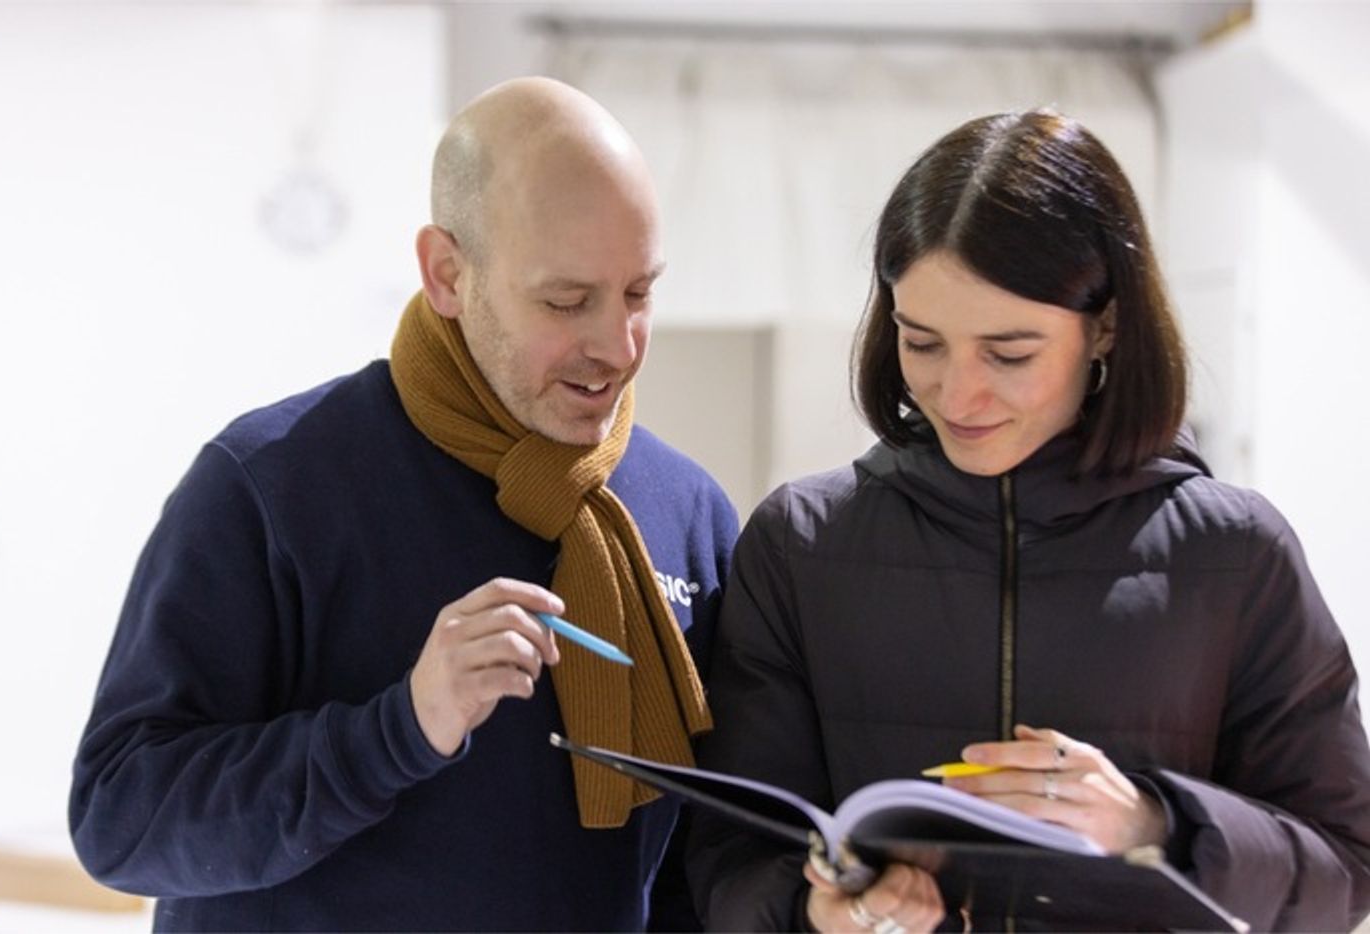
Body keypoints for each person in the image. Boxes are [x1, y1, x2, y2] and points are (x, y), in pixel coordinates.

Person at [69, 77, 738, 931]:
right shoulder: (271, 486)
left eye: (639, 293)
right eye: (567, 302)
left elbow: (695, 866)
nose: (617, 346)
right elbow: (121, 823)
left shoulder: (687, 512)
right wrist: (402, 727)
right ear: (448, 273)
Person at [686, 109, 1370, 932]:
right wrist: (816, 913)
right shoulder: (801, 544)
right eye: (922, 342)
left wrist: (1156, 824)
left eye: (1010, 354)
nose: (959, 395)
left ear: (1106, 325)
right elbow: (723, 860)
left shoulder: (1237, 556)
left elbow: (1346, 870)